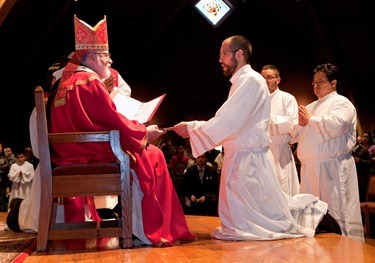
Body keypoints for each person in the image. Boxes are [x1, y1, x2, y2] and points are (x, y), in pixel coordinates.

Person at [173, 35, 339, 241]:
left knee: (265, 216)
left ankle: (317, 215)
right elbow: (231, 119)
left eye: (223, 54)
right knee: (254, 214)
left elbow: (230, 120)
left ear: (239, 54)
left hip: (249, 158)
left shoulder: (251, 81)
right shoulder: (242, 81)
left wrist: (192, 127)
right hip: (241, 155)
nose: (220, 59)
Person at [47, 15, 195, 246]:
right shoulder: (89, 82)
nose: (110, 61)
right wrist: (145, 133)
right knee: (153, 155)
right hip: (89, 155)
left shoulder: (63, 83)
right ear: (94, 57)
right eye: (106, 57)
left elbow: (101, 120)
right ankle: (144, 231)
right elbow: (113, 120)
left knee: (144, 152)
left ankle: (139, 227)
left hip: (70, 154)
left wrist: (138, 132)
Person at [291, 63, 364, 241]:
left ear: (334, 82)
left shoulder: (342, 103)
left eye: (321, 81)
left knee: (337, 212)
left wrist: (311, 120)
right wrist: (301, 124)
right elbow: (295, 134)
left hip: (333, 168)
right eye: (314, 82)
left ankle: (345, 252)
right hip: (309, 169)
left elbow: (337, 125)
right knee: (310, 217)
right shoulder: (311, 106)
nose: (316, 86)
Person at [260, 65, 300, 196]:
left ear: (278, 80)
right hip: (260, 152)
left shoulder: (287, 98)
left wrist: (267, 121)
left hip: (279, 152)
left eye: (269, 77)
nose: (265, 80)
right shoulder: (256, 100)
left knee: (283, 192)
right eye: (263, 77)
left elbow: (291, 123)